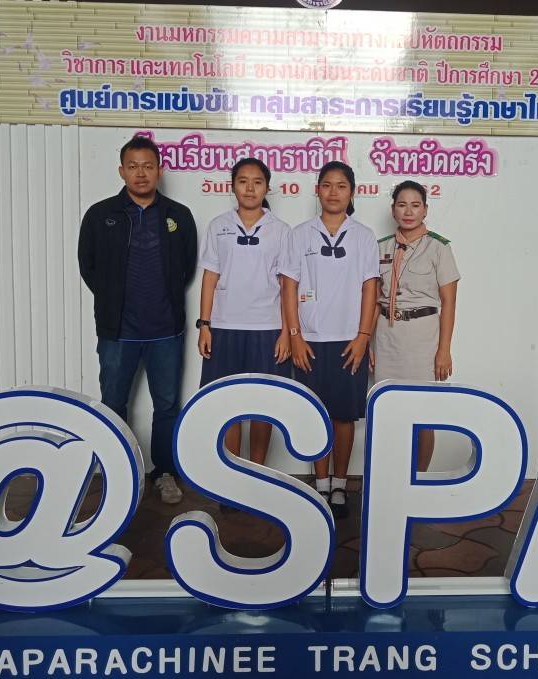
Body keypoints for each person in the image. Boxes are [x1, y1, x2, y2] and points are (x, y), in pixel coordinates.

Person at [78, 135, 197, 504]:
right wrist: (114, 300)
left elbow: (187, 266)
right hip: (118, 331)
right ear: (121, 171)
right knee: (113, 402)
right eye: (133, 166)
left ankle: (165, 472)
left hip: (166, 330)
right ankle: (117, 471)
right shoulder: (101, 215)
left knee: (167, 405)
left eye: (148, 166)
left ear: (159, 170)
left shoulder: (178, 215)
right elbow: (88, 266)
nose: (141, 173)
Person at [279, 161, 379, 519]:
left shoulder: (363, 236)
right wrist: (295, 335)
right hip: (310, 340)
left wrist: (363, 337)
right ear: (317, 190)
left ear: (352, 193)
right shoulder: (299, 234)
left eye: (341, 186)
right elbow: (289, 287)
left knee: (344, 417)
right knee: (315, 414)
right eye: (327, 185)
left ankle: (339, 483)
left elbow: (371, 288)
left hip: (349, 340)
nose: (333, 192)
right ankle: (321, 483)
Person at [197, 157, 292, 467]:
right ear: (233, 186)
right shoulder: (218, 225)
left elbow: (286, 284)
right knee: (227, 403)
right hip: (225, 327)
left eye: (257, 182)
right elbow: (210, 277)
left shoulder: (281, 230)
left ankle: (257, 472)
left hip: (267, 328)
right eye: (243, 181)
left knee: (263, 404)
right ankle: (234, 472)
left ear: (267, 188)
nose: (250, 188)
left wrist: (286, 333)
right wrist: (205, 325)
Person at [373, 180, 460, 472]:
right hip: (387, 336)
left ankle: (418, 479)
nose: (408, 212)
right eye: (402, 205)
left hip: (422, 337)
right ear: (393, 209)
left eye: (415, 205)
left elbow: (449, 303)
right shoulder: (381, 247)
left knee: (422, 413)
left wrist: (444, 351)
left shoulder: (439, 247)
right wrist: (368, 342)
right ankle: (391, 476)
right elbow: (373, 299)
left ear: (425, 210)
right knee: (387, 410)